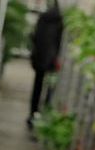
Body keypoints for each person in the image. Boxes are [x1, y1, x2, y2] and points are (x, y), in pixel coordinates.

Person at [29, 0, 64, 129]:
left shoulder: (43, 18)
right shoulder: (60, 22)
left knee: (37, 87)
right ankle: (43, 116)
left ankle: (33, 113)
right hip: (51, 61)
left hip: (40, 58)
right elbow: (58, 42)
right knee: (49, 89)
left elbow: (35, 37)